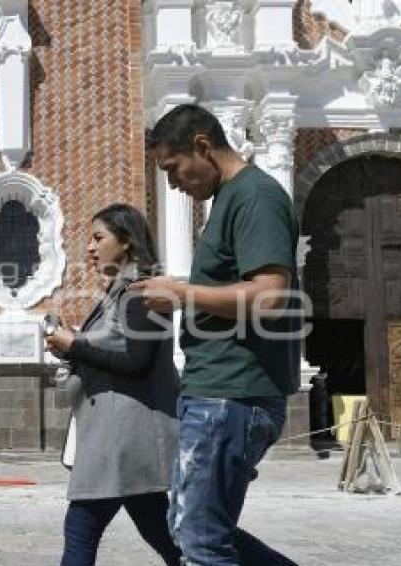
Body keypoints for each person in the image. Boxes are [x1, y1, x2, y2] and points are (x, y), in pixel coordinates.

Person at [134, 103, 301, 565]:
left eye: (173, 168)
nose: (171, 183)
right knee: (190, 527)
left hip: (233, 395)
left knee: (201, 540)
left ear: (203, 147)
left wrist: (182, 293)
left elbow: (269, 295)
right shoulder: (231, 198)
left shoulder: (255, 197)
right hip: (216, 391)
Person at [46, 203, 181, 566]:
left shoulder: (141, 293)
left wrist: (74, 345)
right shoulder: (119, 293)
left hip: (123, 438)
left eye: (97, 238)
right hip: (118, 437)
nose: (89, 247)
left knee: (81, 528)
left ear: (126, 242)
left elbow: (137, 363)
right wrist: (72, 344)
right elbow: (113, 348)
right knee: (166, 534)